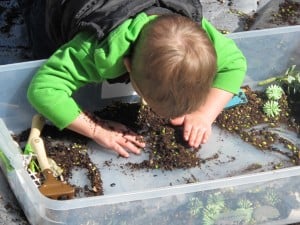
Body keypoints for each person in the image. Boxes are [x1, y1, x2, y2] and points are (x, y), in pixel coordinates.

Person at [24, 0, 247, 158]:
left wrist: (204, 115)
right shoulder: (95, 50)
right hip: (73, 7)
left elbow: (235, 63)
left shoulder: (195, 36)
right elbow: (43, 89)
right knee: (43, 39)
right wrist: (96, 129)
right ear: (127, 66)